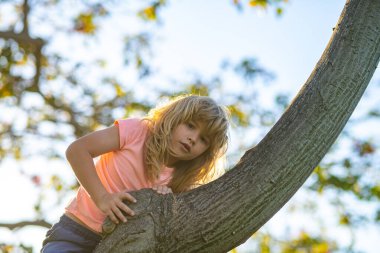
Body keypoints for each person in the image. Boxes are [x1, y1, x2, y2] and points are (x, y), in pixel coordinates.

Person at [40, 94, 230, 252]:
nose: (193, 138)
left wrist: (165, 202)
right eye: (190, 125)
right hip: (76, 232)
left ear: (207, 151)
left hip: (128, 246)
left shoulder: (182, 180)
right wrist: (103, 198)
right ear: (175, 118)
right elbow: (77, 150)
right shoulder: (138, 131)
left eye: (204, 139)